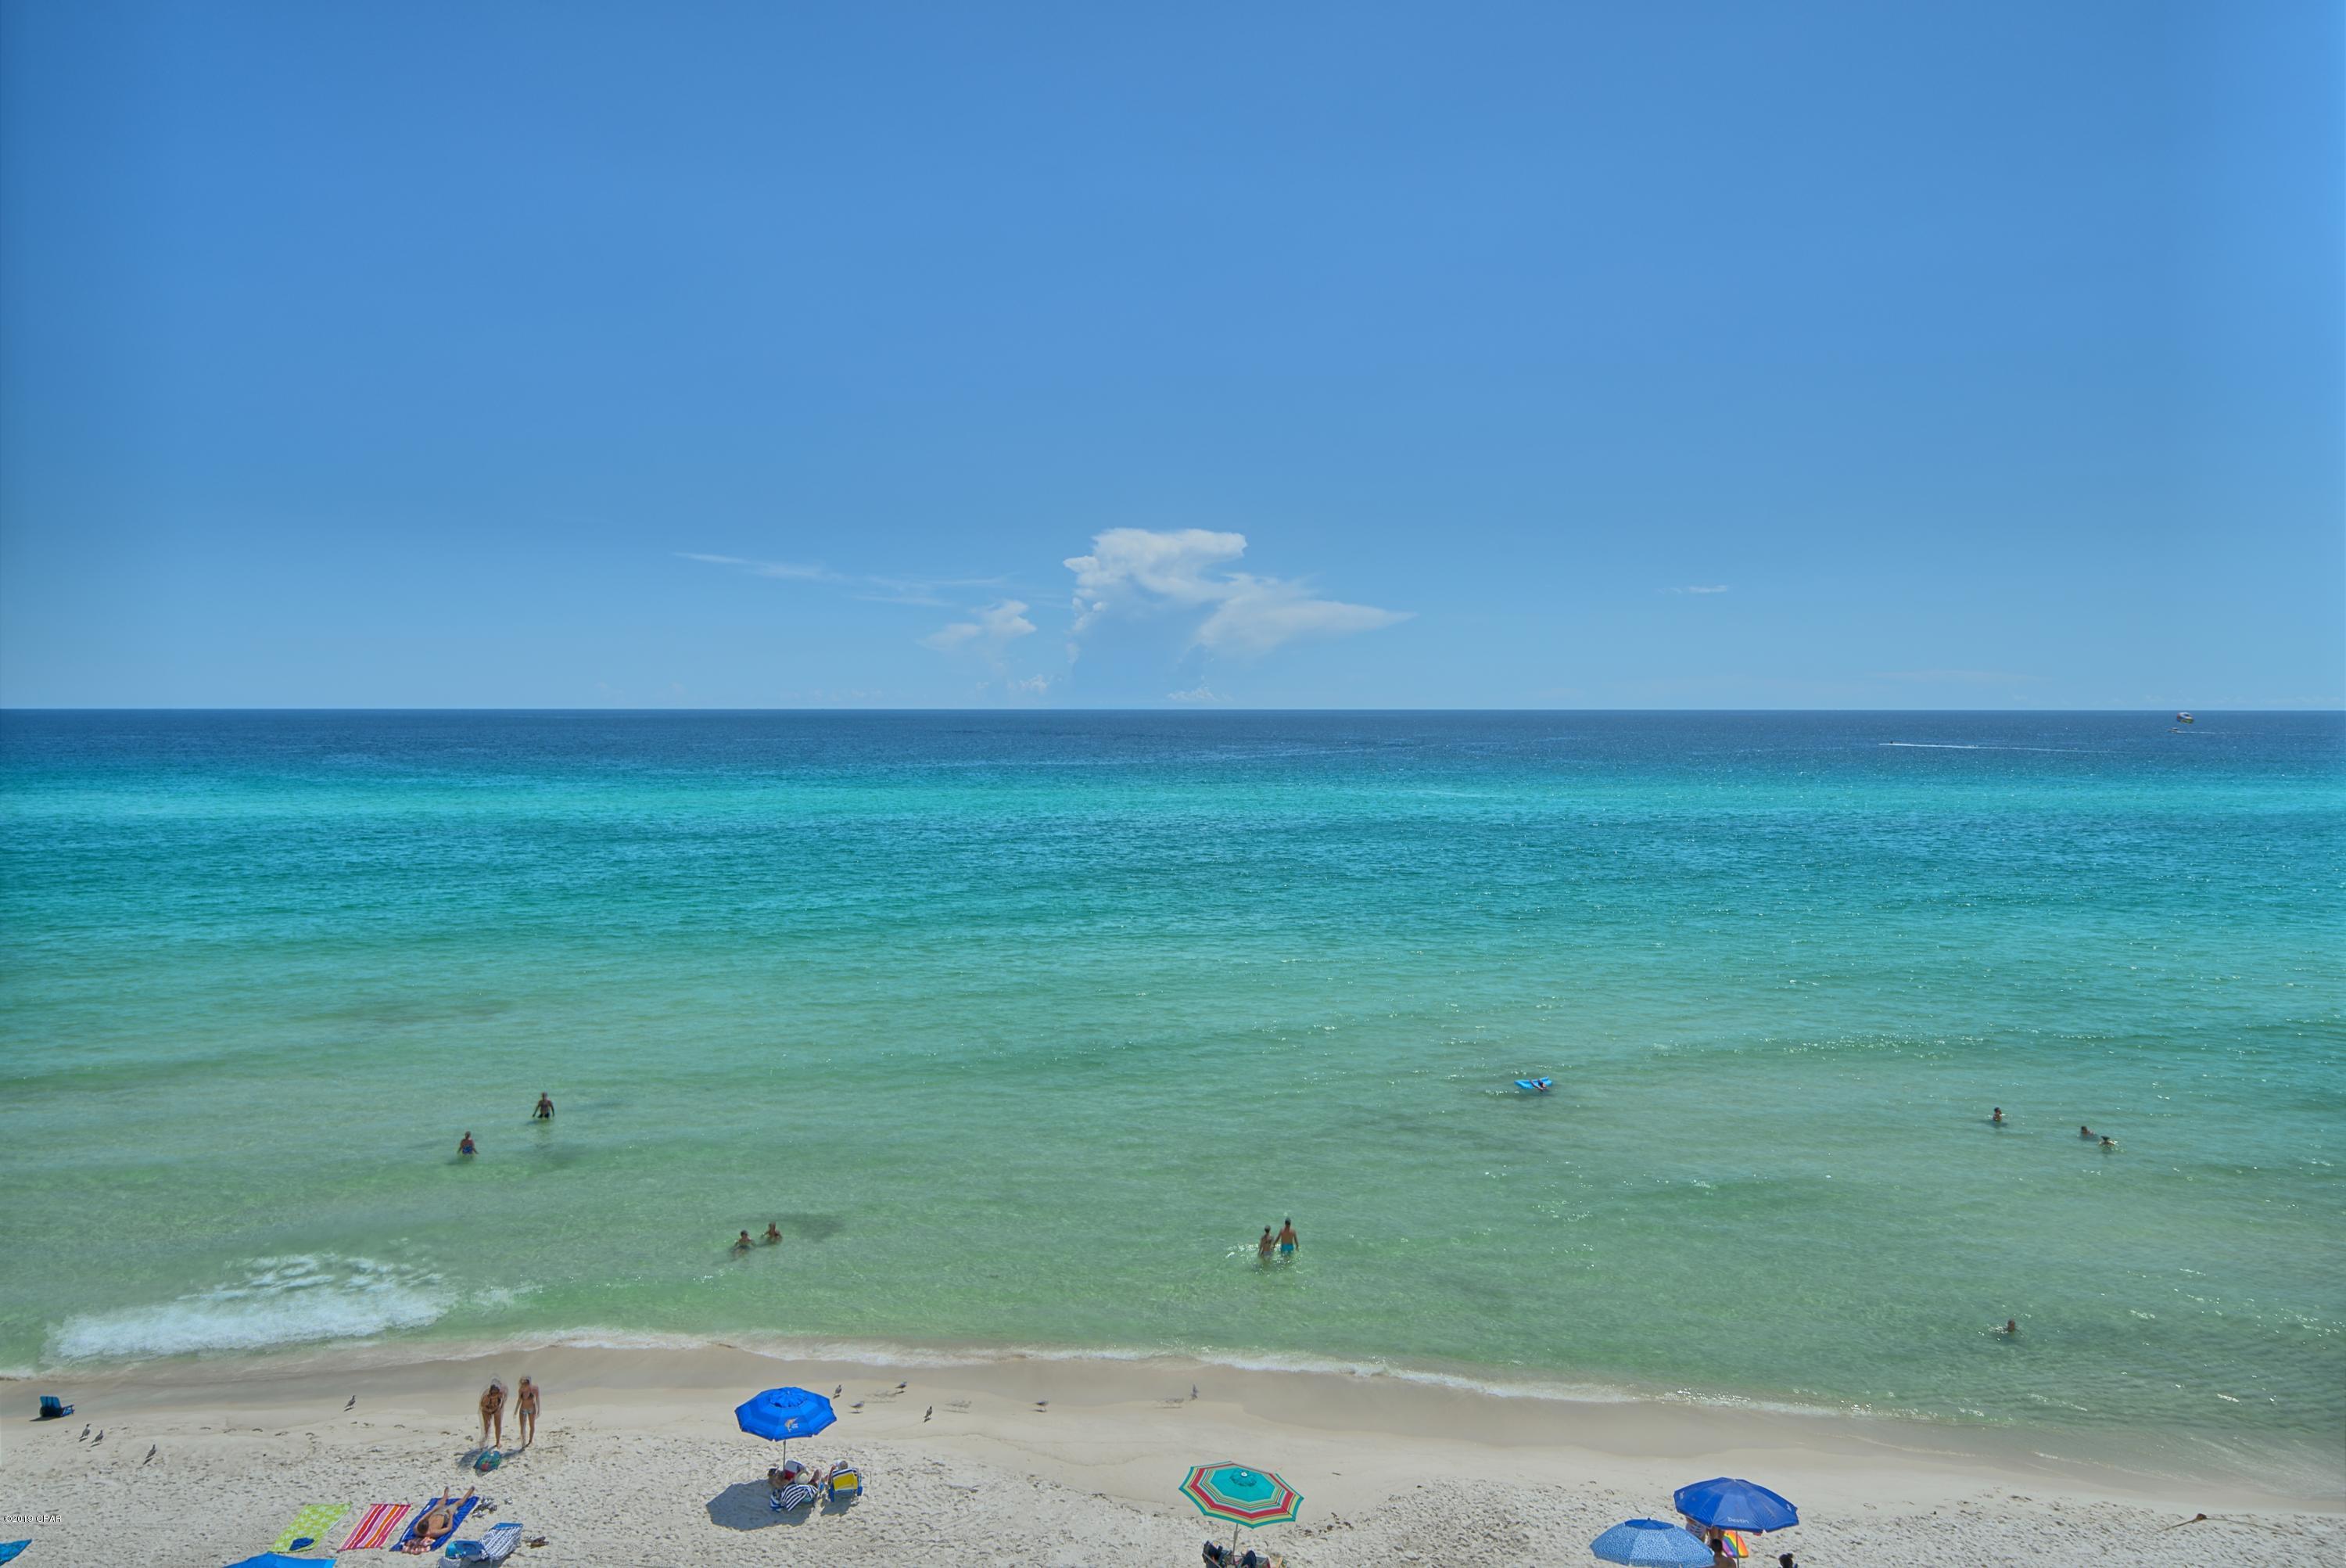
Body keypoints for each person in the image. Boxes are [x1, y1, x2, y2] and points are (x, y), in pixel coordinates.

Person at [401, 1491, 475, 1554]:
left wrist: (433, 1510)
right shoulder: (433, 1532)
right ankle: (469, 1492)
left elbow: (423, 1517)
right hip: (445, 1515)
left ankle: (446, 1494)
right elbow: (449, 1528)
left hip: (435, 1513)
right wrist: (451, 1515)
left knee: (440, 1502)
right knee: (458, 1503)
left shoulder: (416, 1529)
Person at [478, 1380, 505, 1448]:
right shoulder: (486, 1397)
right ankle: (486, 1438)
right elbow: (482, 1406)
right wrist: (489, 1410)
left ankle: (498, 1442)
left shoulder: (501, 1394)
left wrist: (501, 1406)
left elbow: (504, 1398)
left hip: (496, 1409)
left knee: (498, 1426)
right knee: (487, 1425)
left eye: (495, 1393)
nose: (494, 1395)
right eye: (492, 1393)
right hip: (486, 1410)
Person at [515, 1376, 540, 1448]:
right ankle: (523, 1441)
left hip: (532, 1409)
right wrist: (516, 1410)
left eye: (525, 1384)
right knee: (522, 1426)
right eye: (522, 1384)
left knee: (532, 1425)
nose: (523, 1386)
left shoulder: (534, 1389)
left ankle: (530, 1440)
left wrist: (538, 1410)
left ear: (528, 1384)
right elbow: (519, 1400)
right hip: (523, 1409)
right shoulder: (520, 1390)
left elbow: (537, 1400)